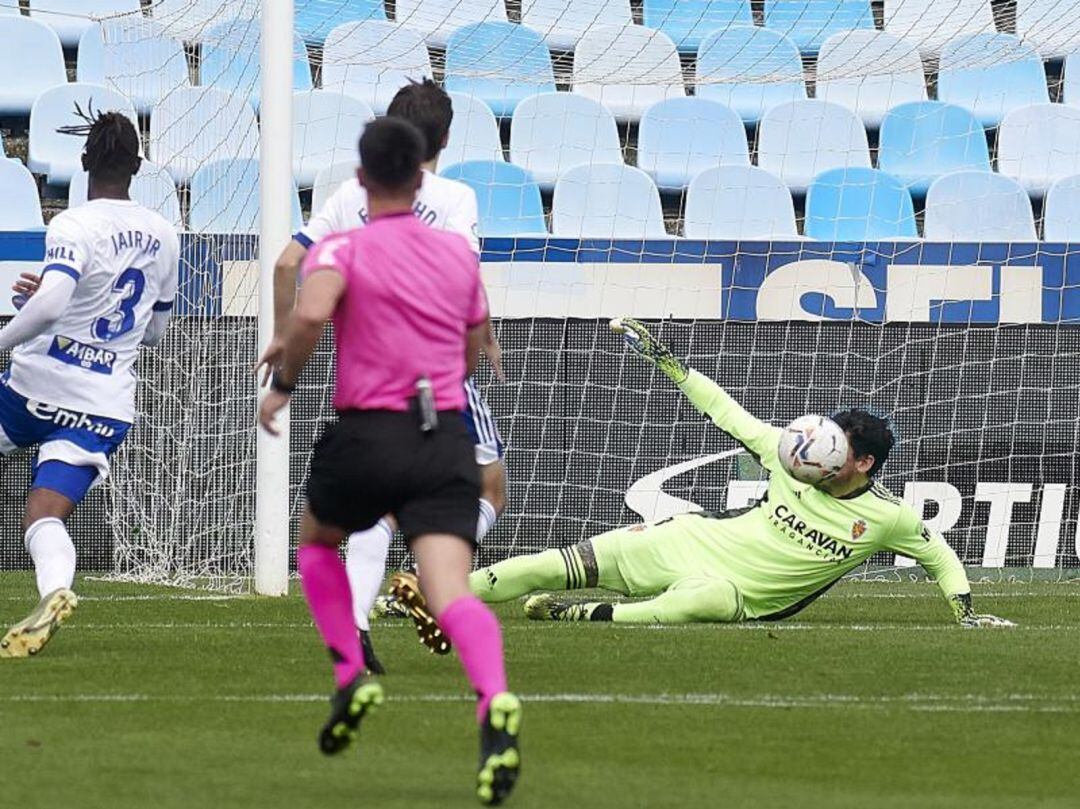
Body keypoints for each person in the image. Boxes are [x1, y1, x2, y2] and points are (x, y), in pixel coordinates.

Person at [257, 118, 521, 806]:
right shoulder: (457, 257)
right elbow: (474, 340)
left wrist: (283, 380)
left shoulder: (342, 248)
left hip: (369, 431)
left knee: (316, 539)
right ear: (422, 176)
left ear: (362, 179)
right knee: (452, 590)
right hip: (443, 435)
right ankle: (493, 698)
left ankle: (350, 668)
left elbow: (311, 317)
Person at [468, 318, 1015, 629]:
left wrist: (964, 611)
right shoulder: (789, 455)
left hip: (733, 592)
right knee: (541, 565)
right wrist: (668, 362)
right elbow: (727, 410)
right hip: (689, 541)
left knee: (692, 607)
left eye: (835, 451)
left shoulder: (886, 517)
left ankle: (585, 615)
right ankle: (425, 595)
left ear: (863, 463)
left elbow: (939, 554)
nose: (809, 457)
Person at [0, 111, 180, 657]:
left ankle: (55, 592)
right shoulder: (164, 234)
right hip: (103, 404)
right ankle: (54, 591)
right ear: (138, 167)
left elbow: (53, 302)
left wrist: (7, 335)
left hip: (36, 389)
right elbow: (153, 332)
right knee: (44, 513)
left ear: (83, 164)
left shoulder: (72, 225)